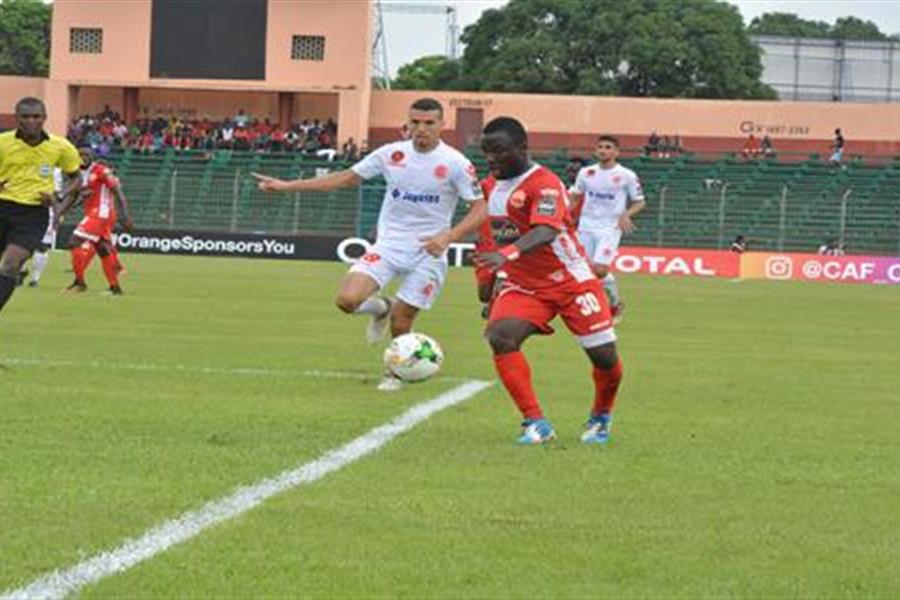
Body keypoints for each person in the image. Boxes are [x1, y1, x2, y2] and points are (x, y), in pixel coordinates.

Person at [253, 97, 487, 391]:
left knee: (402, 322)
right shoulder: (391, 154)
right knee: (347, 301)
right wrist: (288, 186)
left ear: (442, 125)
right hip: (388, 246)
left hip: (429, 252)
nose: (421, 129)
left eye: (429, 123)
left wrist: (449, 236)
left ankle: (395, 372)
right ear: (408, 123)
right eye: (415, 122)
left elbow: (481, 208)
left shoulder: (456, 163)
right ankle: (380, 307)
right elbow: (345, 178)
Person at [474, 116, 624, 446]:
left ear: (522, 147)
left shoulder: (544, 183)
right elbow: (486, 234)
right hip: (524, 284)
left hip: (572, 281)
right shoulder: (488, 187)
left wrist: (508, 254)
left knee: (605, 358)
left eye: (499, 151)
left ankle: (600, 416)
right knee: (500, 336)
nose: (491, 159)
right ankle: (535, 423)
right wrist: (488, 282)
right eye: (487, 152)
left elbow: (546, 230)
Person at [0, 97, 82, 316]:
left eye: (36, 116)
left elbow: (76, 179)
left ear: (44, 118)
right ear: (16, 118)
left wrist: (58, 195)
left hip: (33, 214)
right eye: (25, 116)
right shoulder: (3, 142)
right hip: (2, 205)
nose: (31, 121)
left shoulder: (60, 147)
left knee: (11, 264)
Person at [568, 135, 646, 324]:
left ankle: (614, 303)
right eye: (600, 147)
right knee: (585, 270)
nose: (603, 150)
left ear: (616, 152)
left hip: (610, 227)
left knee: (600, 270)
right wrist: (564, 215)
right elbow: (575, 197)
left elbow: (640, 202)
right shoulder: (586, 173)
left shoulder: (626, 175)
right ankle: (598, 307)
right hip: (586, 226)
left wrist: (626, 214)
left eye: (608, 147)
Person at [62, 147, 134, 295]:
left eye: (87, 155)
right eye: (80, 155)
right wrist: (61, 212)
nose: (84, 157)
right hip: (94, 213)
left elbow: (118, 191)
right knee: (102, 249)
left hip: (102, 213)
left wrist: (124, 214)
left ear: (92, 157)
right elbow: (77, 196)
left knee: (74, 241)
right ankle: (115, 288)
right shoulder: (78, 174)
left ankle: (79, 282)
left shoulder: (101, 170)